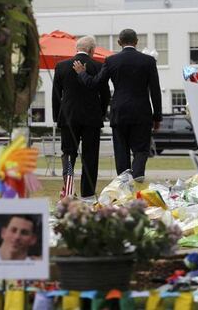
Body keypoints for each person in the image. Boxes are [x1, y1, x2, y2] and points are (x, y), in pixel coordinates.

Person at [73, 29, 162, 179]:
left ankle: (123, 179)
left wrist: (82, 73)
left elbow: (95, 83)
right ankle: (138, 173)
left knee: (121, 149)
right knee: (141, 150)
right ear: (136, 41)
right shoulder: (148, 61)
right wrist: (157, 117)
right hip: (142, 112)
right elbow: (155, 91)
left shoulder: (111, 61)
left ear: (119, 43)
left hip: (119, 111)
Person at [52, 36, 110, 199]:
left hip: (68, 116)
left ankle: (69, 190)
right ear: (92, 50)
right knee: (90, 156)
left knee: (68, 153)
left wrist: (57, 117)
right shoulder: (99, 66)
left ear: (76, 49)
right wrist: (102, 112)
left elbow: (56, 95)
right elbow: (105, 94)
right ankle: (88, 193)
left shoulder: (61, 66)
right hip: (92, 117)